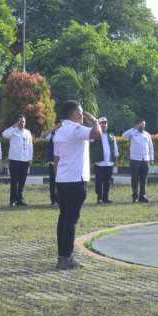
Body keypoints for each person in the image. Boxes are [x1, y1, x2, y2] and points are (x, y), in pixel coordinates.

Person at [52, 100, 102, 269]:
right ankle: (67, 257)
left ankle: (62, 255)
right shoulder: (75, 129)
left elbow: (56, 159)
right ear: (75, 114)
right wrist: (95, 121)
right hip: (75, 180)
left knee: (63, 218)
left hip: (63, 179)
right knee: (72, 219)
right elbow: (97, 134)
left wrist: (57, 181)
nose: (82, 116)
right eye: (81, 114)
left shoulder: (58, 132)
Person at [2, 115, 34, 206]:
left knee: (22, 180)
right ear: (17, 122)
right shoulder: (12, 131)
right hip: (14, 159)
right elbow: (4, 135)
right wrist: (13, 126)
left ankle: (19, 199)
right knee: (14, 180)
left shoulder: (27, 132)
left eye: (23, 122)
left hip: (24, 159)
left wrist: (30, 158)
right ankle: (12, 200)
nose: (22, 123)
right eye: (20, 122)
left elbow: (30, 146)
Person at [122, 119, 153, 203]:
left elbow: (150, 146)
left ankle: (142, 195)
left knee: (144, 178)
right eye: (140, 124)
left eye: (143, 124)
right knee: (135, 178)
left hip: (145, 159)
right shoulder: (133, 133)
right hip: (135, 159)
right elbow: (124, 135)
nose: (142, 126)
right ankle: (135, 196)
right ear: (137, 125)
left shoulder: (147, 134)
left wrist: (151, 157)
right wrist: (133, 128)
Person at [90, 116, 119, 204]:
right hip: (99, 162)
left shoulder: (111, 135)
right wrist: (95, 129)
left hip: (109, 162)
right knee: (99, 181)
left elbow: (115, 147)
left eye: (105, 123)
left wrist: (116, 159)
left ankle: (106, 197)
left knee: (107, 181)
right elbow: (89, 140)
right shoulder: (95, 134)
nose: (104, 125)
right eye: (102, 123)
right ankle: (99, 197)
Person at [42, 119, 63, 206]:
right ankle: (54, 200)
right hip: (53, 162)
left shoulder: (66, 135)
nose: (61, 128)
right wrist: (53, 129)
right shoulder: (52, 134)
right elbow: (43, 136)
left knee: (62, 182)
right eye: (60, 126)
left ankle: (61, 199)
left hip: (63, 163)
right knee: (53, 182)